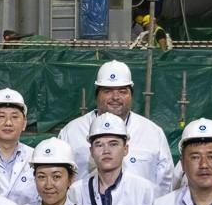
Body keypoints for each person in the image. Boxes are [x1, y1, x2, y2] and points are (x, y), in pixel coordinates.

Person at [58, 60, 174, 194]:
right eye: (107, 91)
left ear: (131, 95)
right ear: (96, 95)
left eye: (122, 91)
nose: (115, 97)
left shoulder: (152, 133)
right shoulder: (72, 132)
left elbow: (165, 183)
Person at [0, 87, 38, 205]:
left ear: (24, 123)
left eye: (15, 117)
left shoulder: (36, 157)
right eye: (1, 116)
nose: (8, 123)